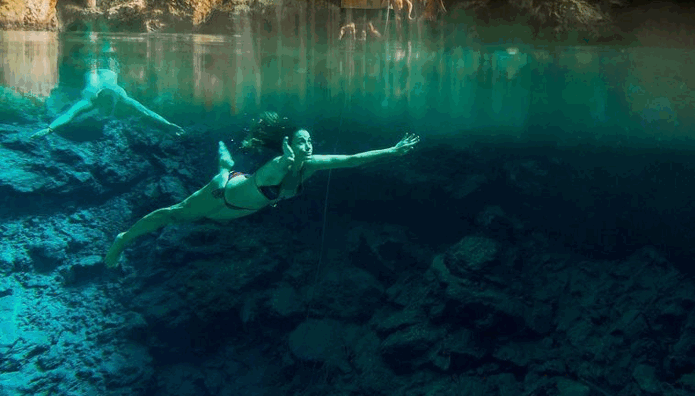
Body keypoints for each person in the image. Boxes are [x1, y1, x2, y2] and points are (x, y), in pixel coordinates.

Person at [104, 122, 420, 267]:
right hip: (222, 196)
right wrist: (286, 157)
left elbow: (352, 160)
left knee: (208, 215)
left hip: (238, 212)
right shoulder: (277, 165)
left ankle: (226, 164)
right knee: (174, 215)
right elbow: (280, 166)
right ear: (289, 145)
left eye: (310, 141)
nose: (308, 147)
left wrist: (393, 151)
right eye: (301, 142)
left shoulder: (310, 165)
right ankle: (123, 238)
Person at [31, 68, 184, 139]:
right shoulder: (89, 99)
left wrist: (167, 124)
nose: (109, 109)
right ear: (100, 101)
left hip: (110, 70)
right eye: (107, 106)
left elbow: (145, 111)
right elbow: (69, 114)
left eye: (110, 106)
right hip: (91, 71)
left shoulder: (121, 95)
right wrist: (49, 129)